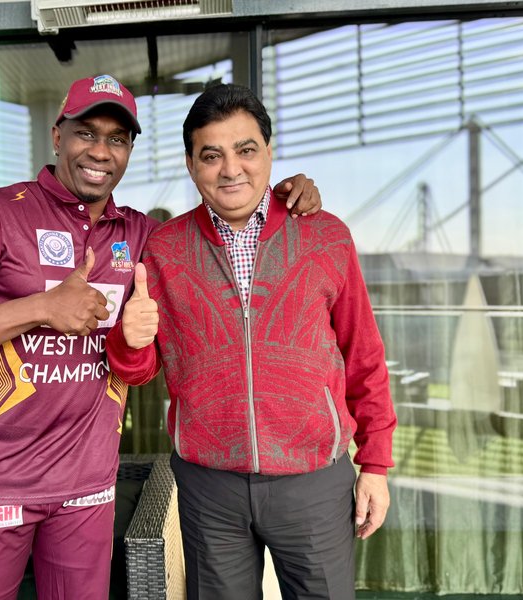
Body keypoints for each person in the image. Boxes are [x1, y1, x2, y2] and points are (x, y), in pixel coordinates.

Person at [0, 75, 322, 600]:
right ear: (57, 135)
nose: (100, 151)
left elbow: (219, 219)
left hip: (87, 485)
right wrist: (40, 309)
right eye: (86, 133)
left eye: (118, 139)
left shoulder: (141, 234)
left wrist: (289, 196)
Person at [106, 83, 397, 600]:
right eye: (211, 155)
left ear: (268, 150)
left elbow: (363, 356)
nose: (231, 169)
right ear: (192, 164)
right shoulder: (164, 249)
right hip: (208, 486)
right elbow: (140, 369)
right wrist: (128, 343)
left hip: (313, 480)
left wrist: (374, 464)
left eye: (246, 150)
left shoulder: (325, 235)